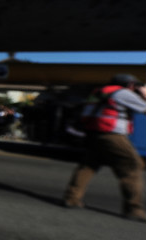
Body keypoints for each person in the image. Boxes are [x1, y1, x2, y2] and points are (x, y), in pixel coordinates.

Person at [63, 73, 146, 221]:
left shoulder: (99, 91)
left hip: (93, 133)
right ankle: (133, 209)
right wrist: (144, 94)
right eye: (135, 85)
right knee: (133, 166)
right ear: (129, 85)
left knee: (88, 166)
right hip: (112, 135)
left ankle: (71, 198)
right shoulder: (123, 93)